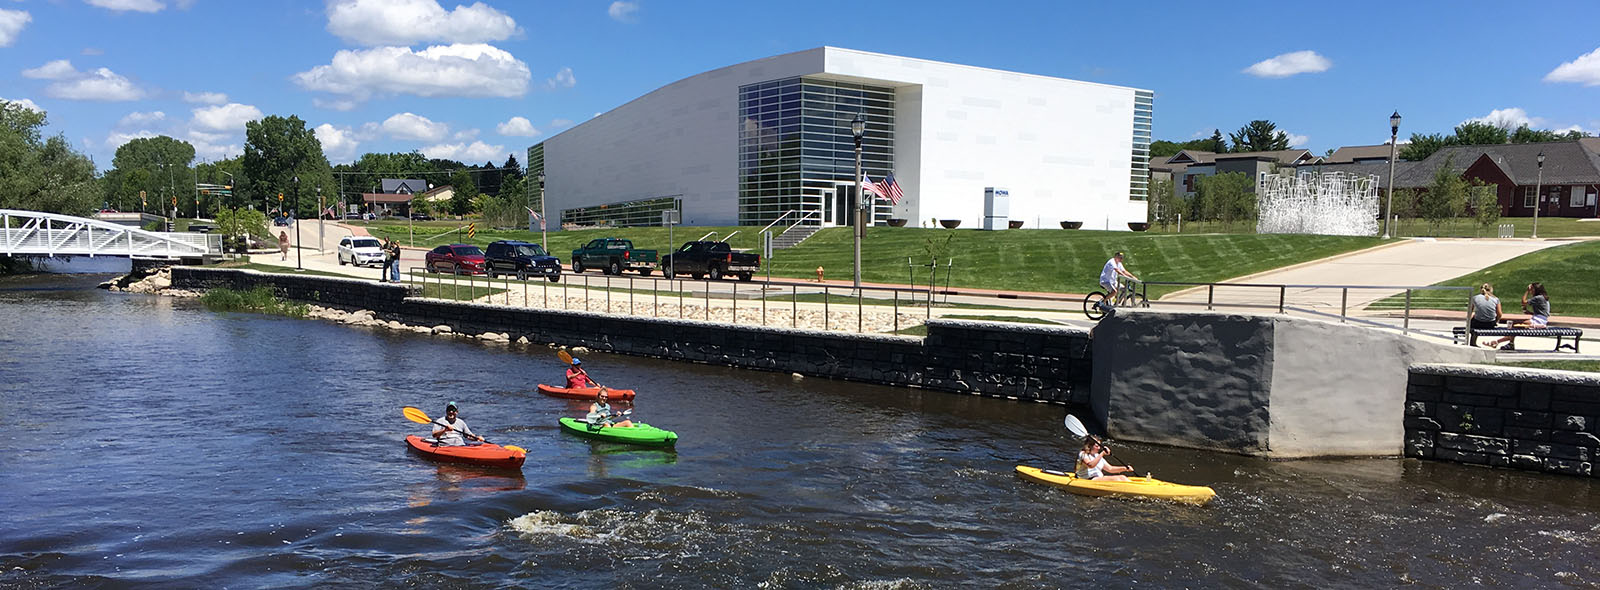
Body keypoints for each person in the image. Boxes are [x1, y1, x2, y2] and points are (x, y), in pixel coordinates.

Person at [1484, 283, 1550, 351]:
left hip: (1538, 322)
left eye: (1532, 289)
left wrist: (1527, 291)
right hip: (1540, 320)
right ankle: (1498, 342)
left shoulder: (1539, 297)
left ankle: (1509, 344)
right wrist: (1529, 312)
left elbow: (1523, 302)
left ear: (1536, 289)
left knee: (1514, 325)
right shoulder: (1542, 297)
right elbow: (1543, 313)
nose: (1531, 291)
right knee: (1515, 327)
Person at [1466, 282, 1503, 348]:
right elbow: (1500, 314)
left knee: (1474, 319)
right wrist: (1496, 321)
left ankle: (1473, 342)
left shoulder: (1475, 298)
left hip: (1478, 323)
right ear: (1491, 290)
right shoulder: (1496, 299)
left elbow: (1469, 312)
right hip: (1490, 324)